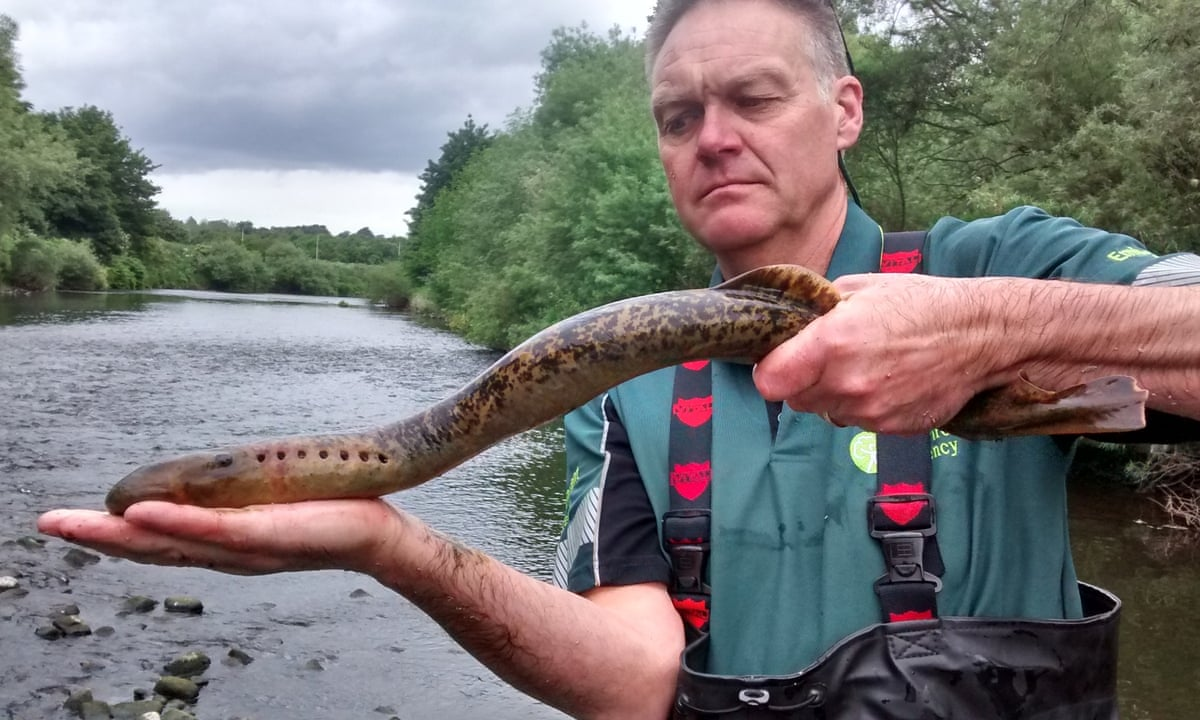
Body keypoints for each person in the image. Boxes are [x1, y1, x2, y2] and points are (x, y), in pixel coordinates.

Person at [38, 0, 1200, 718]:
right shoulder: (627, 381)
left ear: (845, 109)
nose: (716, 137)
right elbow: (637, 684)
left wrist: (996, 324)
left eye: (753, 96)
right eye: (679, 116)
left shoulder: (1008, 261)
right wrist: (389, 546)